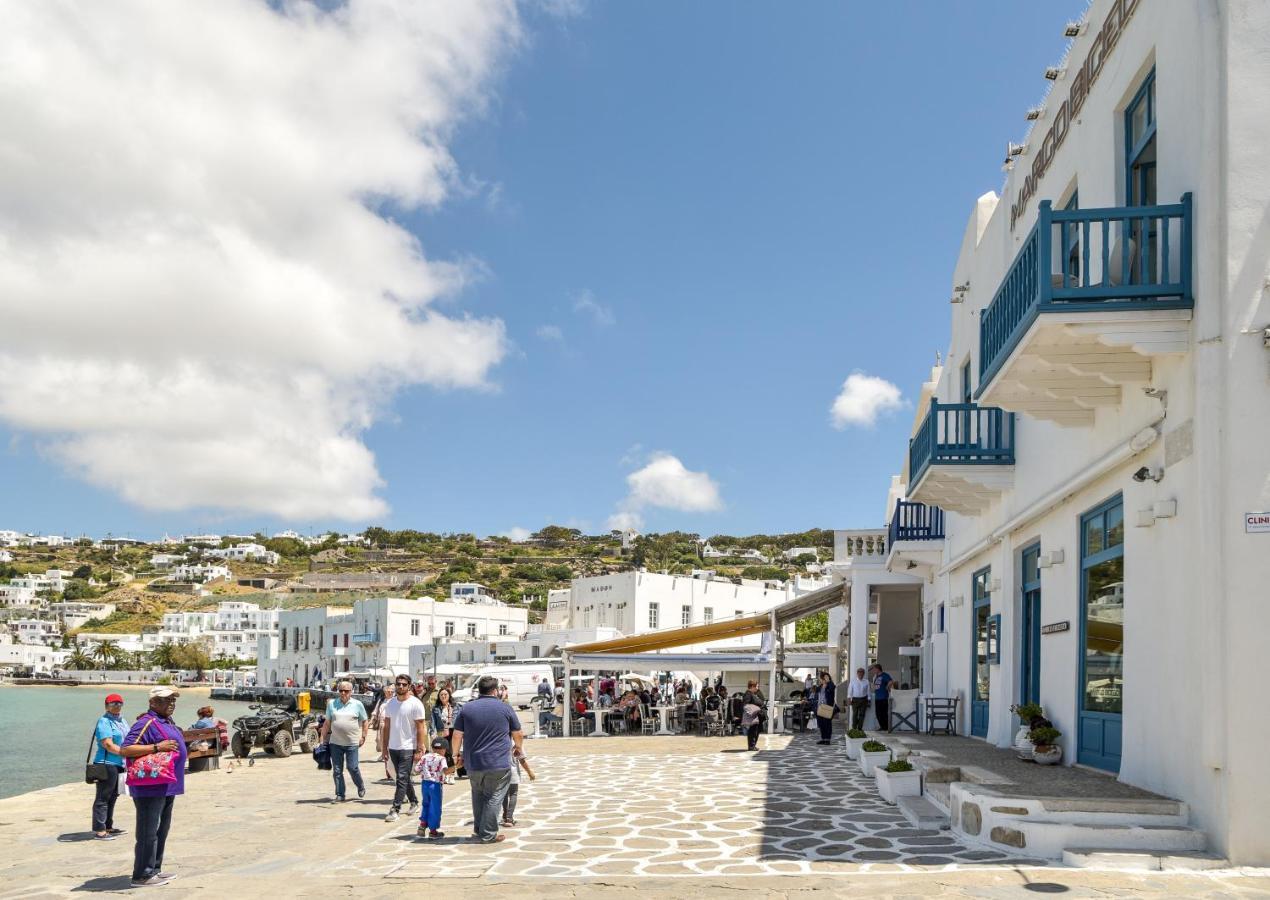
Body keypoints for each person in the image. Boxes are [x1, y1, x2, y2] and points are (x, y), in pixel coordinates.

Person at [120, 687, 188, 888]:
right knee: (147, 831)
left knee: (161, 830)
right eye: (166, 701)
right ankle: (141, 875)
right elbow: (126, 749)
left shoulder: (165, 722)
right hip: (150, 787)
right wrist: (158, 747)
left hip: (167, 785)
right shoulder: (146, 722)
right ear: (153, 703)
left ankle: (154, 869)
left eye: (173, 701)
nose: (171, 704)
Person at [451, 674, 523, 844]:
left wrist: (455, 754)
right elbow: (518, 733)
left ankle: (479, 829)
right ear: (495, 690)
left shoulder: (467, 708)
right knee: (494, 796)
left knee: (478, 794)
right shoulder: (505, 708)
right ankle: (488, 833)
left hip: (473, 762)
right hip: (497, 762)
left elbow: (456, 735)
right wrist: (518, 747)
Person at [380, 675, 427, 823]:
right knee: (404, 778)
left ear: (409, 685)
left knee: (401, 778)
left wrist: (420, 748)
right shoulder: (390, 704)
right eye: (398, 684)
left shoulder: (416, 704)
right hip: (393, 746)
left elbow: (420, 728)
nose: (400, 687)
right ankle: (414, 802)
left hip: (408, 746)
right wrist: (384, 747)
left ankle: (395, 809)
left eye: (404, 684)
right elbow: (386, 726)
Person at [320, 680, 368, 802]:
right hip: (335, 742)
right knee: (337, 770)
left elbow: (365, 721)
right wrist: (322, 738)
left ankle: (360, 785)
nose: (343, 693)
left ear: (351, 692)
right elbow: (327, 722)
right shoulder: (332, 704)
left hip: (352, 743)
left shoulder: (358, 704)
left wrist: (363, 736)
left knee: (352, 767)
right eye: (340, 690)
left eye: (346, 691)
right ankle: (340, 794)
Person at [91, 693, 128, 841]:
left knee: (113, 796)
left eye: (119, 703)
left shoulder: (122, 721)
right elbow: (107, 743)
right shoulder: (104, 721)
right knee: (103, 797)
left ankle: (108, 825)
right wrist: (124, 752)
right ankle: (100, 830)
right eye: (113, 703)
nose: (117, 706)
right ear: (106, 706)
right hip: (106, 764)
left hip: (120, 764)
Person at [413, 736, 456, 840]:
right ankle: (433, 831)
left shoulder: (425, 757)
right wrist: (457, 766)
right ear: (444, 749)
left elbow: (416, 769)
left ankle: (422, 825)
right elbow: (446, 771)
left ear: (432, 748)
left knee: (426, 804)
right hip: (435, 785)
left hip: (425, 784)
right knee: (435, 807)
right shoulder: (442, 758)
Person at [368, 684, 394, 782]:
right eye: (388, 691)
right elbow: (375, 711)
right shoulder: (381, 700)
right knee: (384, 748)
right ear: (385, 691)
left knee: (391, 748)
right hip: (382, 725)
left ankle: (392, 772)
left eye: (392, 691)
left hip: (392, 725)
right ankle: (388, 772)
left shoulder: (395, 701)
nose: (390, 692)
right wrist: (371, 720)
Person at [813, 671, 837, 745]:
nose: (821, 680)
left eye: (822, 678)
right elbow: (815, 691)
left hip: (827, 707)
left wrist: (829, 681)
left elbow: (833, 687)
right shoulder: (820, 686)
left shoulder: (830, 686)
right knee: (821, 724)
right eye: (822, 678)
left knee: (827, 723)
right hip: (820, 707)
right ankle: (823, 738)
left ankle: (827, 739)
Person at [741, 680, 765, 751]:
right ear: (752, 686)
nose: (758, 688)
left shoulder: (753, 693)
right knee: (753, 731)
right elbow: (746, 705)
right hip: (753, 716)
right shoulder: (748, 694)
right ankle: (751, 746)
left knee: (756, 731)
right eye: (757, 686)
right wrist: (755, 708)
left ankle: (753, 745)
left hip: (757, 716)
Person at [871, 664, 894, 732]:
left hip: (883, 697)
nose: (873, 671)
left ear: (878, 669)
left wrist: (887, 687)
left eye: (874, 669)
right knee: (878, 713)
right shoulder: (876, 676)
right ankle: (882, 726)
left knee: (884, 713)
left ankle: (886, 727)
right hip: (877, 697)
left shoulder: (884, 675)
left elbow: (891, 681)